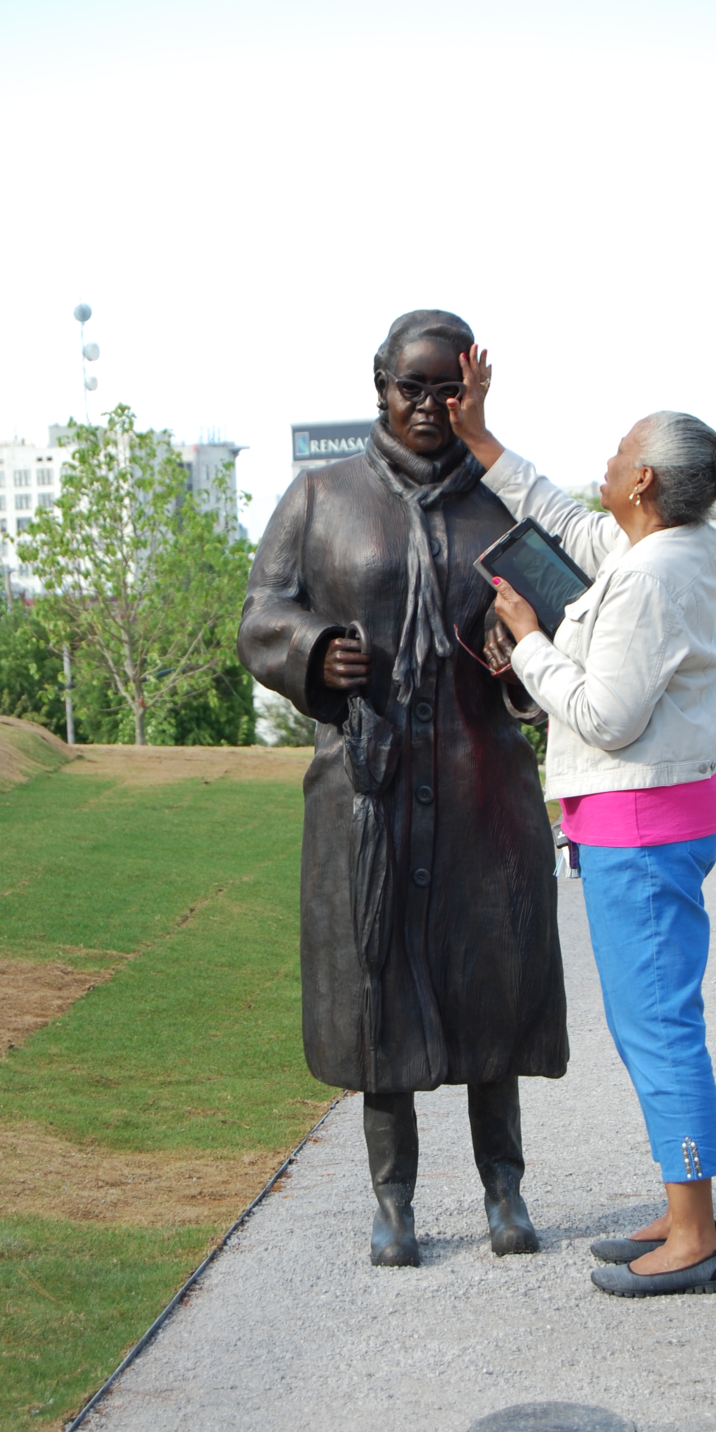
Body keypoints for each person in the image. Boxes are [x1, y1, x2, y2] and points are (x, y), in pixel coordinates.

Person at [237, 311, 567, 1268]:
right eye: (411, 388)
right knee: (377, 989)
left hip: (481, 793)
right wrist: (311, 650)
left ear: (472, 393)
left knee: (490, 988)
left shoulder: (499, 507)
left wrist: (519, 659)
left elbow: (546, 633)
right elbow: (263, 614)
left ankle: (505, 1189)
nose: (429, 406)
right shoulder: (322, 497)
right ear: (378, 385)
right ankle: (394, 1201)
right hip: (369, 789)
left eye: (448, 389)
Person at [449, 345, 716, 1298]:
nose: (605, 465)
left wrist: (531, 646)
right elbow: (569, 521)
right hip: (650, 818)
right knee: (652, 1021)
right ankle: (682, 1206)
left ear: (646, 481)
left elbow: (608, 716)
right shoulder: (662, 548)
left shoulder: (653, 577)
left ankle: (695, 1240)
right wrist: (484, 439)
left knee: (656, 1026)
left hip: (642, 825)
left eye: (618, 454)